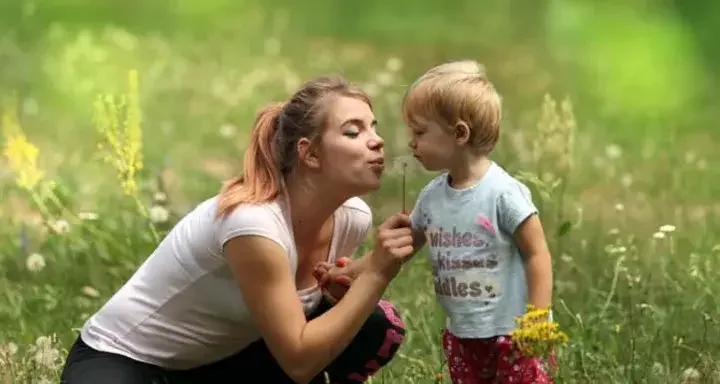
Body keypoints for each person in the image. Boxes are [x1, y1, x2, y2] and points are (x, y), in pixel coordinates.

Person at [60, 75, 414, 384]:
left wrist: (338, 290)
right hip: (129, 361)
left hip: (222, 362)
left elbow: (298, 325)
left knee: (374, 324)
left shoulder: (352, 217)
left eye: (374, 127)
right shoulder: (253, 224)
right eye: (354, 131)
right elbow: (299, 360)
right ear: (310, 155)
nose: (377, 140)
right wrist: (376, 274)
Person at [318, 60, 555, 383]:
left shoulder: (502, 193)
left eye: (420, 132)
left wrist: (537, 319)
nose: (411, 142)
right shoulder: (432, 198)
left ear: (459, 134)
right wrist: (346, 271)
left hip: (512, 333)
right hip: (463, 335)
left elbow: (536, 253)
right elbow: (397, 250)